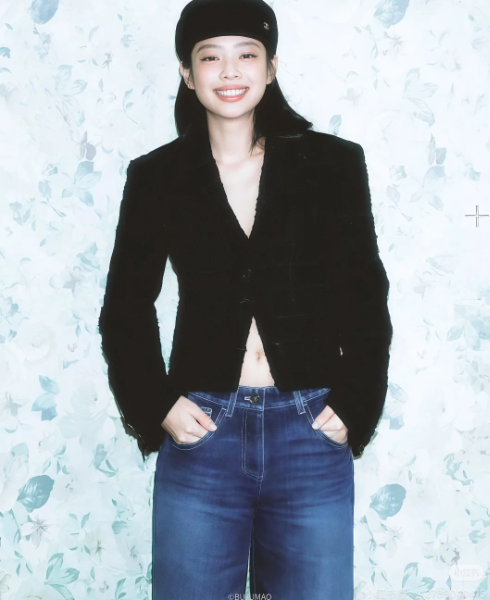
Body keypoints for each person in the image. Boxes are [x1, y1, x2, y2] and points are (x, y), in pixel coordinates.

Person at [98, 0, 393, 598]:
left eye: (247, 55)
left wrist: (357, 402)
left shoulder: (331, 164)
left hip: (309, 431)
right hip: (204, 431)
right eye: (211, 57)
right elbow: (125, 306)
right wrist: (158, 404)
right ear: (187, 73)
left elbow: (365, 294)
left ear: (271, 66)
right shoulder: (157, 176)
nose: (230, 71)